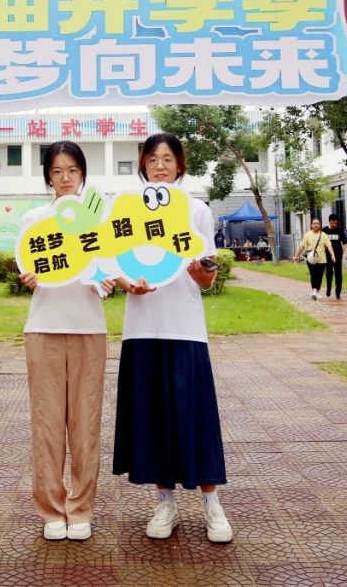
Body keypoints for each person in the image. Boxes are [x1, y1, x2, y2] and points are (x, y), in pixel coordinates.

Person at [114, 133, 232, 544]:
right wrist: (128, 284)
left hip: (185, 327)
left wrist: (202, 271)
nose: (160, 166)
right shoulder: (126, 210)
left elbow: (206, 278)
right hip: (142, 327)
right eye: (153, 159)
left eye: (167, 159)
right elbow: (114, 263)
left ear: (180, 165)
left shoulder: (196, 210)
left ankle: (212, 504)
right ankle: (165, 502)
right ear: (142, 165)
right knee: (152, 415)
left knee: (194, 413)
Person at [17, 141, 116, 542]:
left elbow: (109, 269)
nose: (65, 178)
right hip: (43, 329)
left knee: (85, 424)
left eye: (72, 170)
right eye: (57, 171)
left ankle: (81, 509)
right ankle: (50, 510)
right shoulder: (35, 220)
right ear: (48, 177)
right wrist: (28, 278)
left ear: (83, 174)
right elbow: (28, 265)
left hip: (89, 329)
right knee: (47, 424)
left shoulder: (99, 220)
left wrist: (107, 281)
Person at [293, 218, 334, 300]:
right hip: (310, 258)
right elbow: (302, 246)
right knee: (313, 274)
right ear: (311, 225)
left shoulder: (324, 235)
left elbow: (329, 246)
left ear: (320, 225)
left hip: (322, 259)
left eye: (317, 223)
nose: (316, 225)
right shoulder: (307, 235)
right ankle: (314, 291)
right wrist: (296, 255)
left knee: (319, 276)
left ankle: (317, 292)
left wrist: (332, 255)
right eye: (314, 223)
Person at [323, 214, 346, 299]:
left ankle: (338, 291)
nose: (333, 225)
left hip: (338, 254)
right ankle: (328, 289)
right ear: (329, 222)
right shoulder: (324, 230)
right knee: (329, 272)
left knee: (338, 273)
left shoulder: (340, 230)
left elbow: (344, 241)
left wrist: (346, 252)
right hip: (327, 255)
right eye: (332, 223)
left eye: (335, 223)